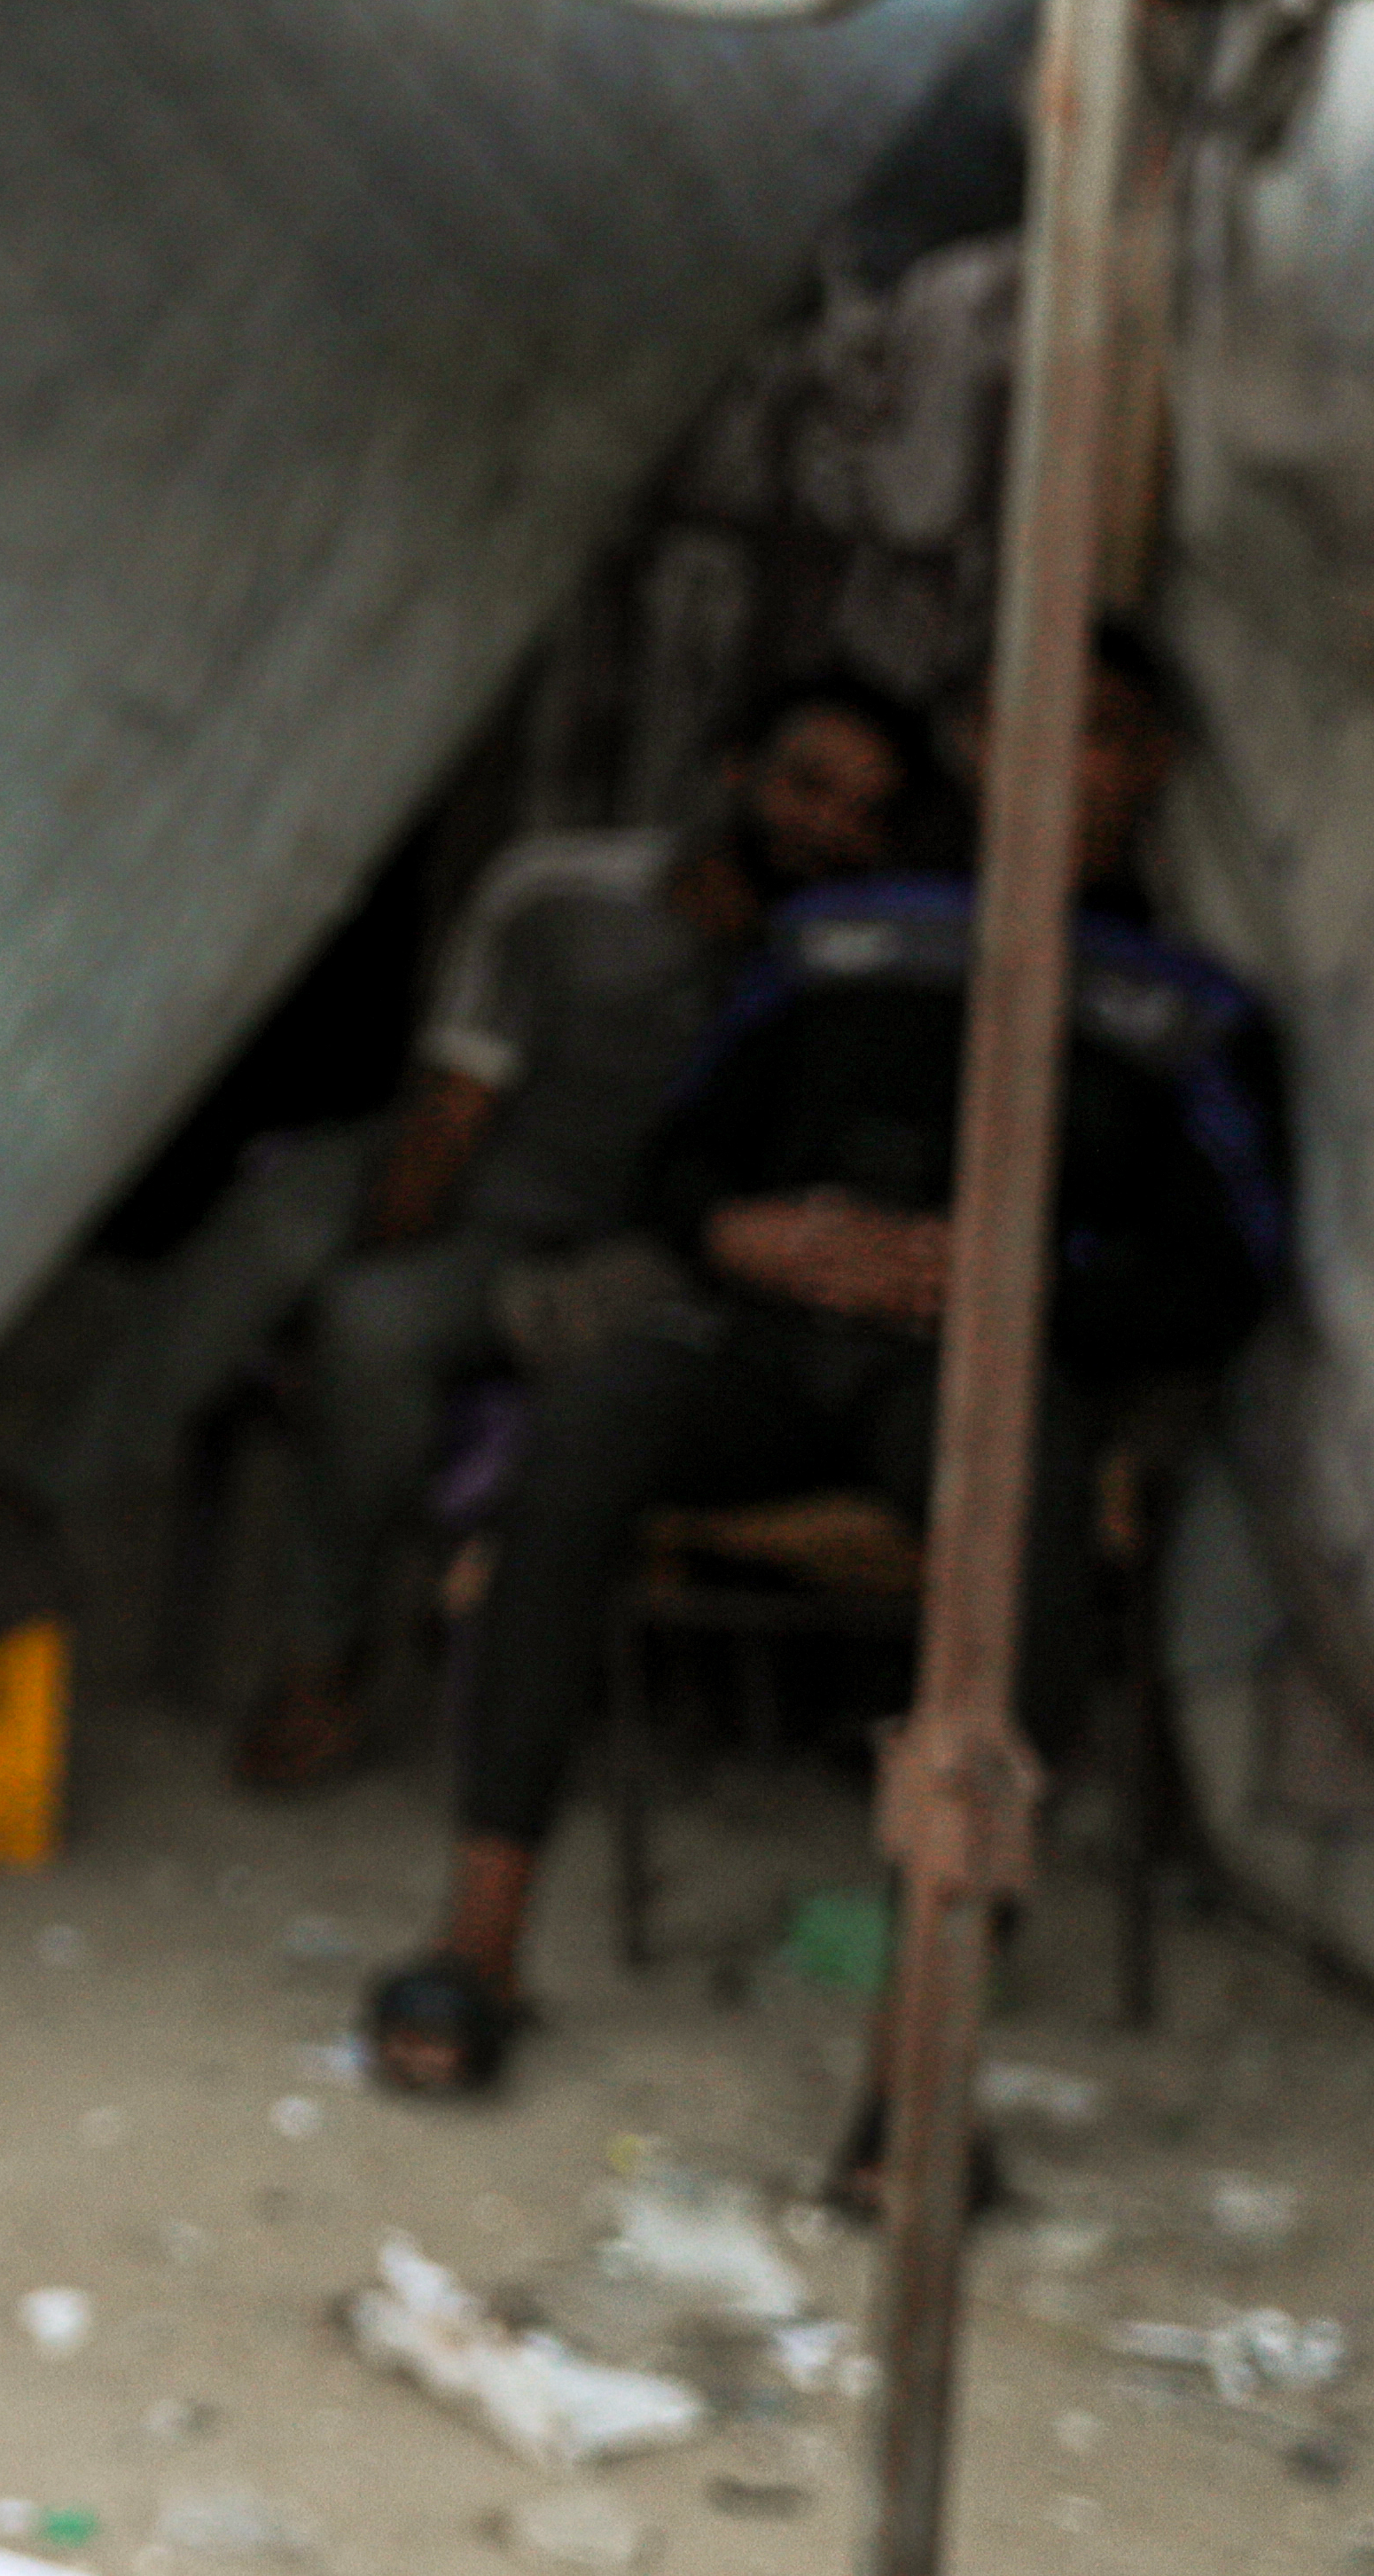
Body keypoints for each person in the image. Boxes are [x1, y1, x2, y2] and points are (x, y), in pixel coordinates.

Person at [366, 627, 1285, 2102]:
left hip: (974, 1377)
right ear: (970, 746)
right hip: (770, 1342)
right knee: (588, 1419)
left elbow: (1226, 1279)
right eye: (1015, 722)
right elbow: (676, 1163)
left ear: (1151, 763)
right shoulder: (842, 938)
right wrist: (745, 1231)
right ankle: (480, 1935)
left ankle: (924, 2035)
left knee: (1018, 1503)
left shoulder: (1187, 1007)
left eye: (1096, 731)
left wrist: (1018, 1282)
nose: (1052, 760)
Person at [217, 677, 930, 1791]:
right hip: (541, 1241)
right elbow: (455, 1110)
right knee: (368, 1323)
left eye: (864, 810)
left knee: (610, 1393)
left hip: (710, 1281)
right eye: (808, 786)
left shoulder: (860, 966)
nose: (829, 825)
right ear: (737, 771)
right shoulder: (574, 899)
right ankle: (322, 1657)